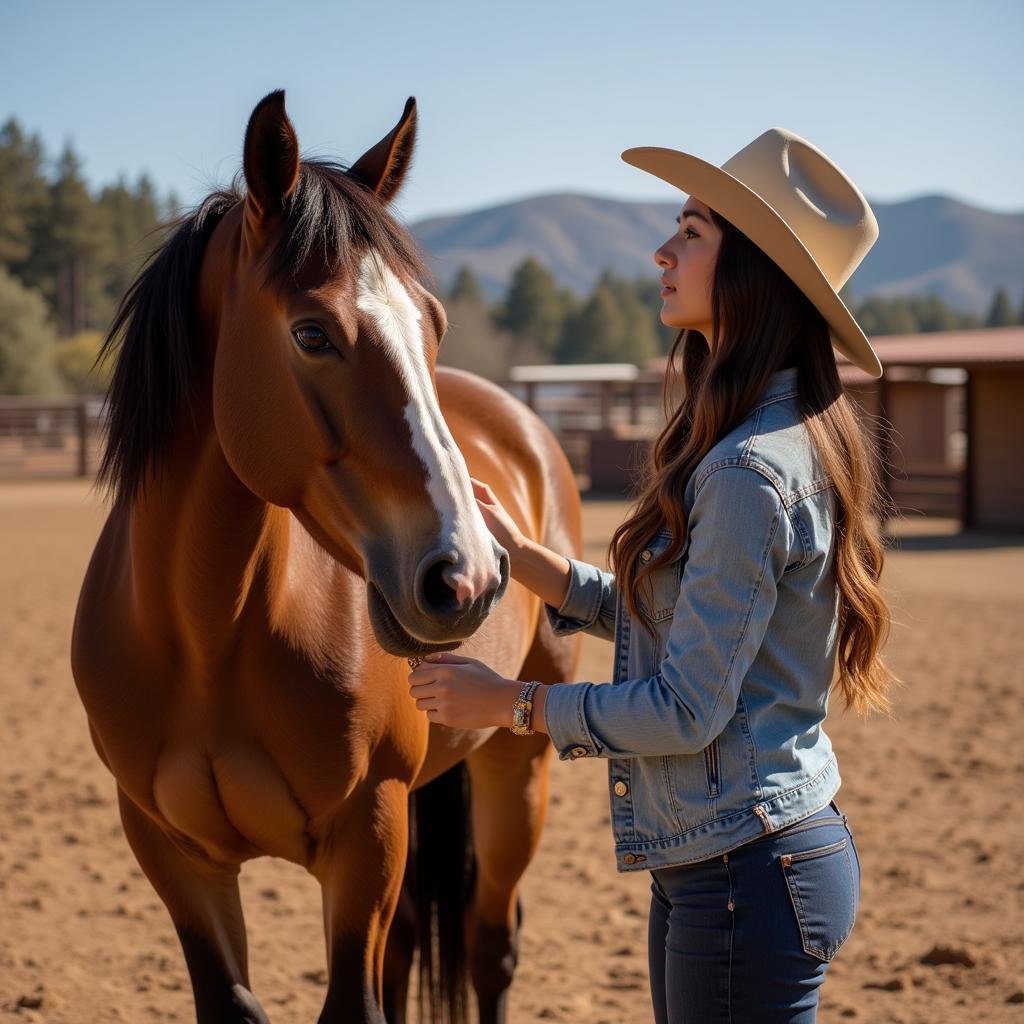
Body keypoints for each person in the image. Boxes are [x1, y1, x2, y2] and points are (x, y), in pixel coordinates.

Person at [408, 127, 897, 1023]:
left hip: (747, 872)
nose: (662, 251)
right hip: (734, 861)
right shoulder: (757, 443)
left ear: (755, 273)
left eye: (693, 232)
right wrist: (529, 559)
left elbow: (685, 709)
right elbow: (673, 620)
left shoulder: (748, 473)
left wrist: (508, 704)